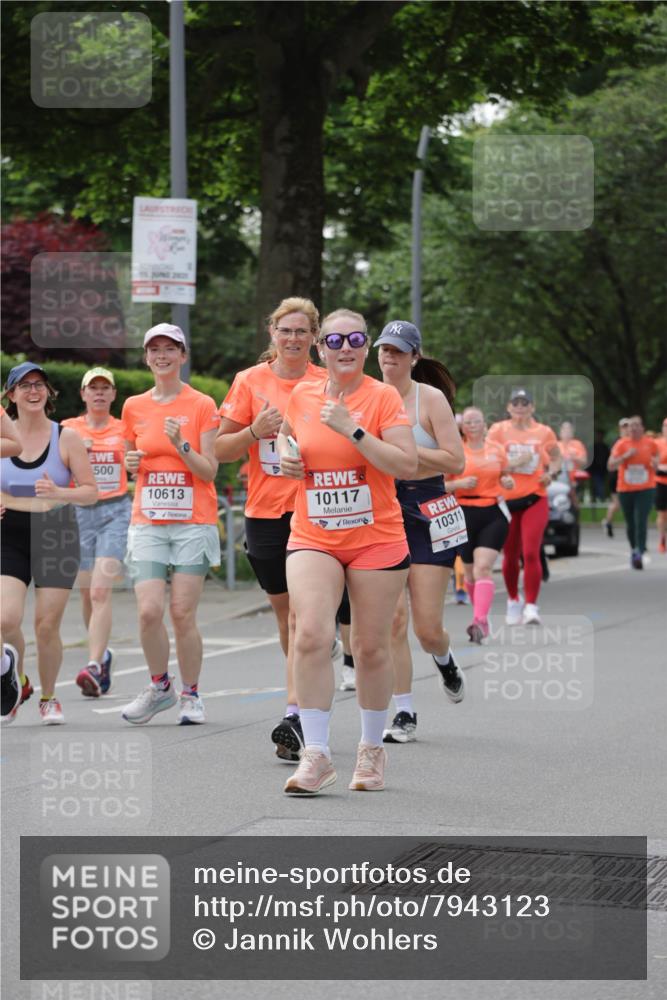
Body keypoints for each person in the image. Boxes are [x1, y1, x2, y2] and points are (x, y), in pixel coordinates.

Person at [277, 308, 417, 794]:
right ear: (321, 348)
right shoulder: (302, 393)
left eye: (356, 339)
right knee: (312, 634)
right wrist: (286, 453)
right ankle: (316, 755)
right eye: (335, 340)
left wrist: (352, 429)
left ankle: (371, 750)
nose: (345, 347)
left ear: (365, 346)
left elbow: (405, 462)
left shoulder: (381, 397)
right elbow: (289, 436)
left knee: (370, 646)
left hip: (376, 536)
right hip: (314, 533)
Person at [215, 297, 326, 760]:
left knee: (302, 618)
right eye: (286, 331)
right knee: (286, 619)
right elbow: (219, 450)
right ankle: (308, 675)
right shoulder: (249, 381)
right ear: (273, 335)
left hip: (313, 511)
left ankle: (296, 715)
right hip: (264, 512)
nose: (294, 339)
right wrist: (254, 432)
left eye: (302, 332)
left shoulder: (327, 382)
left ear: (314, 338)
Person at [121, 324, 221, 725]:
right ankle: (160, 685)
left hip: (193, 522)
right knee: (148, 611)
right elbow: (134, 463)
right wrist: (130, 466)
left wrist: (182, 443)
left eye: (170, 349)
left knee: (181, 612)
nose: (162, 355)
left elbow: (210, 471)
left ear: (183, 355)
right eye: (154, 349)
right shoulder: (133, 406)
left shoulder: (201, 404)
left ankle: (191, 694)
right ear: (146, 358)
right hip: (147, 521)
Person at [375, 320, 465, 744]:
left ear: (414, 356)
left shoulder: (430, 399)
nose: (389, 358)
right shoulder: (366, 396)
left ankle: (444, 659)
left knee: (427, 628)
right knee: (394, 621)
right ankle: (405, 712)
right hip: (383, 508)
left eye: (397, 351)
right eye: (384, 350)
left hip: (428, 507)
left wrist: (407, 457)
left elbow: (456, 461)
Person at [0, 362, 97, 724]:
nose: (33, 391)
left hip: (56, 530)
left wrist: (59, 491)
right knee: (6, 619)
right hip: (8, 532)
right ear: (11, 395)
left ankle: (49, 696)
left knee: (45, 624)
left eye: (39, 384)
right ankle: (18, 680)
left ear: (49, 393)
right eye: (24, 386)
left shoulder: (66, 437)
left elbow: (90, 492)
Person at [61, 367, 131, 697]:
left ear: (113, 395)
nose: (100, 393)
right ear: (83, 394)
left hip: (114, 511)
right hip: (79, 512)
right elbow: (55, 468)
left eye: (106, 388)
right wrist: (76, 452)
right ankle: (102, 655)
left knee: (101, 591)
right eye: (94, 388)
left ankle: (92, 664)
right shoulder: (69, 429)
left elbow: (137, 463)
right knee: (87, 592)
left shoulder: (124, 428)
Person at [486, 388, 561, 626]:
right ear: (508, 408)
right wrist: (511, 465)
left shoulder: (544, 432)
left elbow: (557, 457)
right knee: (510, 555)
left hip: (535, 497)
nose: (520, 407)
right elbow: (488, 460)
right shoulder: (498, 431)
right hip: (507, 500)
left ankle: (531, 605)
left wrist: (552, 473)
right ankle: (512, 599)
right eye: (515, 403)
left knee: (530, 552)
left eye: (524, 403)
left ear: (532, 408)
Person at [446, 406, 515, 644]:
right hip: (463, 512)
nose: (472, 425)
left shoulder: (496, 450)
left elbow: (506, 476)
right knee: (469, 572)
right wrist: (460, 483)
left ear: (484, 424)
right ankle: (481, 620)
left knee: (483, 567)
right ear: (462, 427)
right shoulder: (455, 451)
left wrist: (507, 481)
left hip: (492, 512)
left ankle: (479, 621)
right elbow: (440, 486)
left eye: (477, 421)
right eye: (468, 422)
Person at [608, 415, 659, 569]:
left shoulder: (650, 443)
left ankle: (640, 551)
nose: (634, 428)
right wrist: (625, 456)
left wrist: (655, 463)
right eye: (631, 426)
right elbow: (610, 466)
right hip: (625, 489)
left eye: (637, 425)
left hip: (646, 488)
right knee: (630, 522)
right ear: (628, 429)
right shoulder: (621, 444)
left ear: (642, 428)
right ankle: (634, 548)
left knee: (640, 520)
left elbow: (656, 460)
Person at [602, 418, 630, 537]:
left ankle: (632, 527)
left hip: (629, 477)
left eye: (628, 426)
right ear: (620, 429)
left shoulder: (633, 442)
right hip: (616, 476)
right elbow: (612, 463)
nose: (626, 429)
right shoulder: (617, 443)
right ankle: (607, 522)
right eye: (624, 427)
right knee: (617, 504)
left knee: (628, 503)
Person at [589, 430, 610, 504]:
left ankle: (600, 497)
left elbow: (607, 458)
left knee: (600, 484)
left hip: (603, 470)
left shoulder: (605, 447)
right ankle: (598, 497)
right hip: (595, 470)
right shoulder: (594, 446)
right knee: (597, 484)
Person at [655, 418, 667, 554]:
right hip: (660, 481)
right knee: (662, 513)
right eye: (665, 426)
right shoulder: (657, 443)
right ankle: (662, 539)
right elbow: (651, 461)